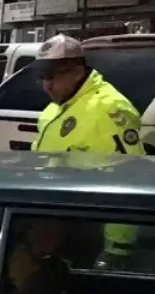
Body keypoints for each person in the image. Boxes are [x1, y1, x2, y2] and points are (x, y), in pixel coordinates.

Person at [31, 33, 144, 263]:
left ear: (76, 72)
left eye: (52, 76)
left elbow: (128, 179)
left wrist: (118, 248)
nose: (47, 85)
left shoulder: (107, 109)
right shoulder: (58, 107)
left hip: (85, 231)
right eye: (42, 77)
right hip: (52, 226)